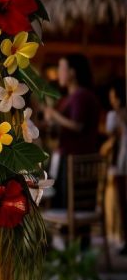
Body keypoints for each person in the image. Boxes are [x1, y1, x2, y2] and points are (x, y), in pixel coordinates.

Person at [44, 55, 102, 215]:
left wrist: (54, 115)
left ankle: (68, 237)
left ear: (72, 72)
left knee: (65, 206)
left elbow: (77, 125)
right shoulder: (69, 98)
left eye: (62, 69)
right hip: (69, 159)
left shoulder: (80, 96)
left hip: (74, 161)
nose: (58, 73)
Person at [105, 83, 127, 254]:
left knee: (120, 200)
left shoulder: (114, 115)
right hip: (121, 159)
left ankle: (121, 236)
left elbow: (110, 134)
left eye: (113, 98)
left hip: (121, 160)